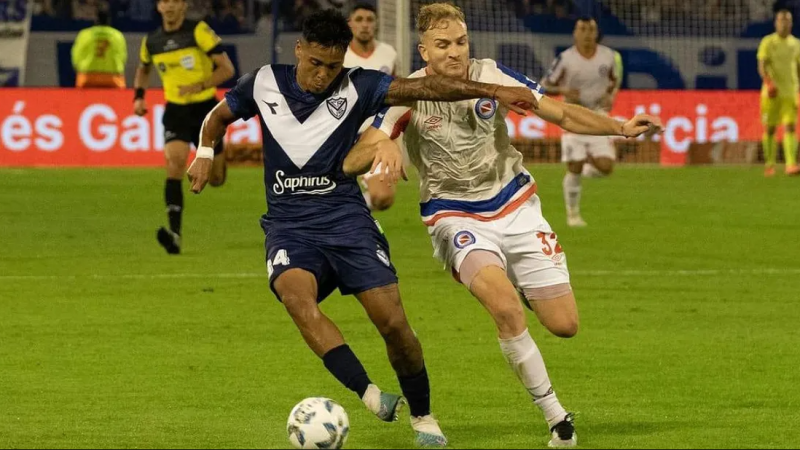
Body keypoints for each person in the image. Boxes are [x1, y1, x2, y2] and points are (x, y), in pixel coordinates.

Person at [185, 9, 539, 448]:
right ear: (300, 50)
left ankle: (424, 416)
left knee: (393, 326)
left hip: (348, 223)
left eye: (333, 66)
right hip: (289, 227)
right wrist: (203, 150)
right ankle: (369, 393)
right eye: (315, 63)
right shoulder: (262, 83)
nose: (322, 75)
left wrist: (492, 89)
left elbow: (429, 87)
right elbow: (217, 116)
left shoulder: (361, 84)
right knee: (297, 299)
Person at [344, 3, 662, 447]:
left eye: (460, 42)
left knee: (564, 324)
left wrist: (620, 128)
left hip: (515, 204)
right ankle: (558, 420)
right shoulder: (408, 93)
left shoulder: (494, 78)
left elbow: (561, 113)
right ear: (423, 50)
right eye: (442, 45)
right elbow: (355, 155)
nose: (454, 52)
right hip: (453, 215)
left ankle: (526, 288)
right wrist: (384, 149)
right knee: (505, 308)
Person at [133, 0, 235, 254]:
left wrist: (200, 85)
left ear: (184, 6)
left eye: (174, 2)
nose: (169, 7)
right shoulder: (152, 41)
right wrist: (138, 96)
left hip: (206, 110)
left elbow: (227, 69)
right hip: (176, 110)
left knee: (217, 179)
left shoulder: (198, 31)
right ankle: (175, 235)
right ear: (158, 7)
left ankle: (217, 160)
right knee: (175, 163)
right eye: (164, 2)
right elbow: (143, 69)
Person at [543, 16, 622, 227]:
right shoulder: (566, 59)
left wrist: (610, 95)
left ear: (596, 33)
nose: (587, 33)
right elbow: (545, 84)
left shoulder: (609, 56)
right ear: (575, 34)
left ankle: (589, 169)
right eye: (583, 29)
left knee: (606, 167)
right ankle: (573, 214)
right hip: (573, 117)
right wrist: (564, 90)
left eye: (591, 29)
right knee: (574, 166)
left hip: (597, 117)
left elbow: (615, 80)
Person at [344, 2, 401, 212]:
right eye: (359, 20)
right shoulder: (339, 56)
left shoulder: (389, 53)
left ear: (376, 24)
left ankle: (352, 211)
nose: (365, 25)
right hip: (344, 135)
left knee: (383, 198)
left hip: (377, 134)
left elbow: (398, 88)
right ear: (349, 24)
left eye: (369, 20)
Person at [757, 9, 800, 177]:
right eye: (781, 20)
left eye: (787, 20)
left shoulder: (796, 44)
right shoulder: (768, 42)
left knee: (790, 127)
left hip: (790, 92)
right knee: (770, 129)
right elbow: (762, 64)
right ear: (776, 23)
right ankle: (770, 164)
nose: (784, 23)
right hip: (771, 94)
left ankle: (791, 164)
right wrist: (768, 82)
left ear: (791, 23)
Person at [71, 8, 128, 88]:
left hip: (87, 77)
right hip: (113, 78)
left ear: (96, 20)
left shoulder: (84, 34)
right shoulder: (117, 35)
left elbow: (76, 57)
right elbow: (122, 57)